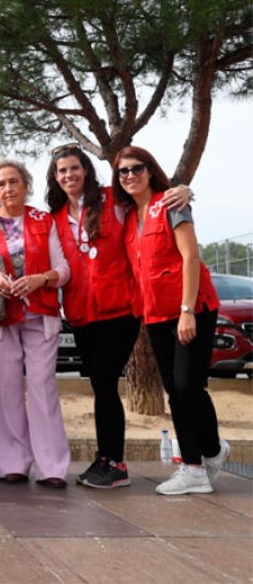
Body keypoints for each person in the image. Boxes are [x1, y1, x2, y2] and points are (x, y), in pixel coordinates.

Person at [46, 144, 190, 489]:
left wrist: (183, 189)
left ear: (87, 171)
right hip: (81, 314)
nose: (69, 175)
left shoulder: (115, 199)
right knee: (100, 384)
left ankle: (115, 463)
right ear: (55, 177)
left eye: (75, 168)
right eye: (62, 171)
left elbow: (151, 196)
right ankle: (105, 458)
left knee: (105, 380)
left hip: (119, 310)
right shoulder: (54, 216)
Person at [112, 146, 229, 495]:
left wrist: (187, 310)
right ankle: (207, 454)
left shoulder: (172, 203)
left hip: (191, 309)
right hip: (157, 315)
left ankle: (196, 465)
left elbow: (190, 256)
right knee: (177, 389)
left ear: (150, 170)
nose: (130, 175)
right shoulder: (129, 217)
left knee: (186, 386)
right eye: (123, 171)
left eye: (137, 168)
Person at [0, 159, 71, 488]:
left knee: (42, 387)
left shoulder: (43, 220)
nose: (8, 188)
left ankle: (52, 467)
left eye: (14, 182)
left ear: (26, 185)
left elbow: (63, 268)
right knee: (5, 388)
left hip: (41, 314)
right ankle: (12, 463)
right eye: (1, 184)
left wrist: (42, 279)